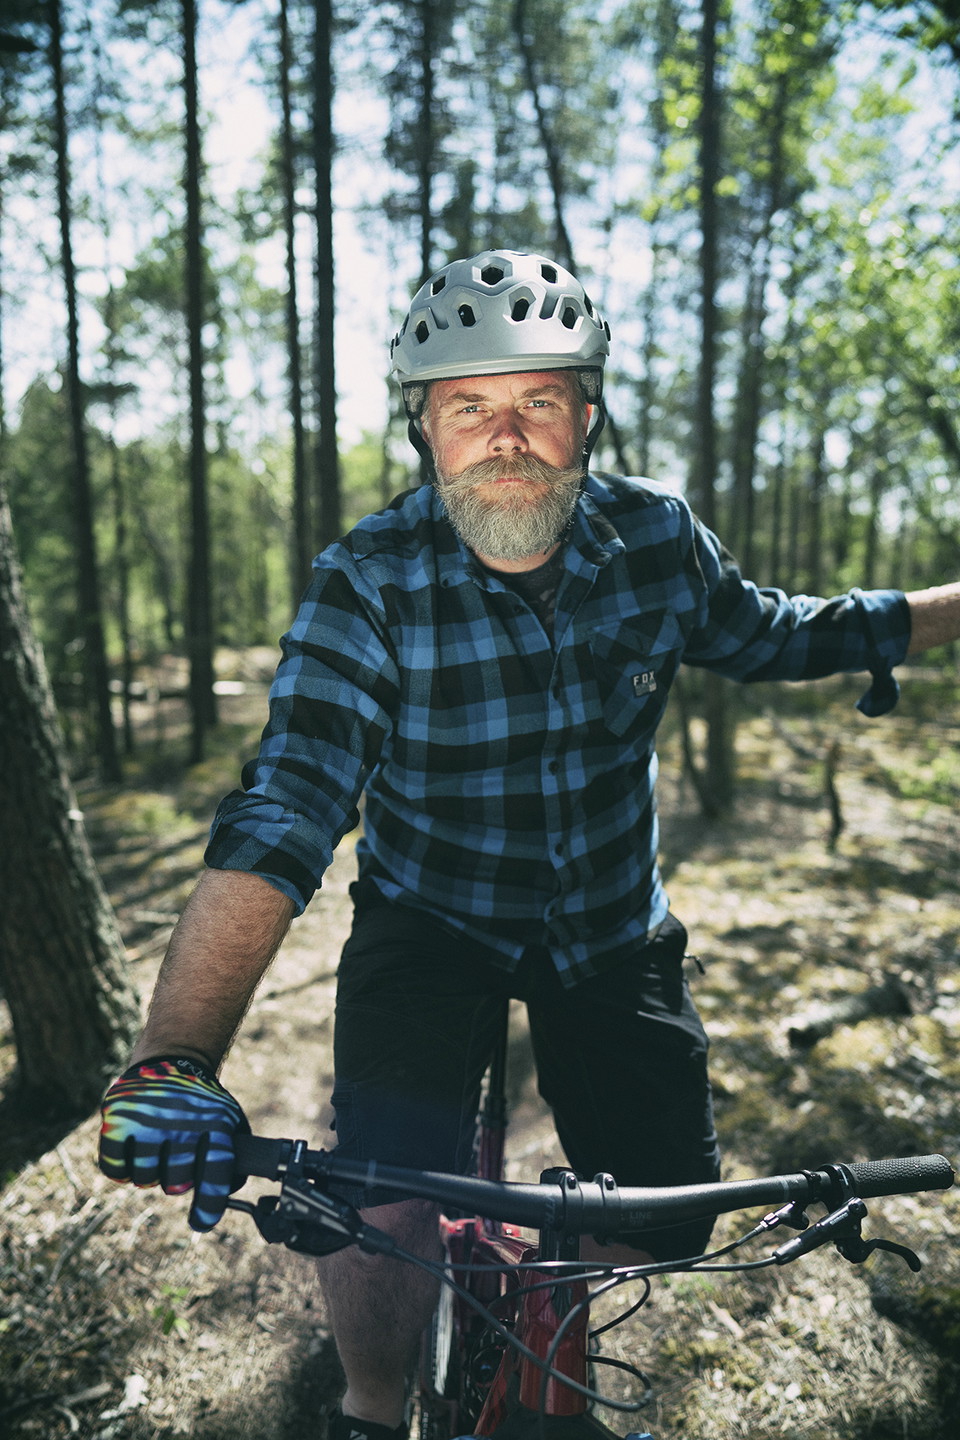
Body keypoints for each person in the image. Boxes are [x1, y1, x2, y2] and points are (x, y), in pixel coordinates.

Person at [99, 250, 960, 1440]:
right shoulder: (369, 584)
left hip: (610, 922)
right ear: (425, 432)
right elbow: (285, 811)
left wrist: (946, 610)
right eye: (469, 409)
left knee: (665, 1207)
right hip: (430, 918)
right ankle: (366, 1404)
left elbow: (776, 633)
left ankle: (543, 1318)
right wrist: (174, 1059)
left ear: (587, 418)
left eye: (537, 403)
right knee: (377, 1198)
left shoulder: (656, 539)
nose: (506, 438)